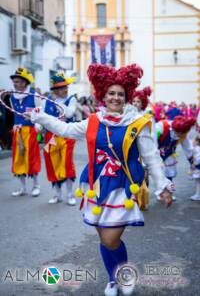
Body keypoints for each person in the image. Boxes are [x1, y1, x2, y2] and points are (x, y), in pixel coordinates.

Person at [25, 63, 173, 296]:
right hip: (95, 185)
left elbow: (151, 157)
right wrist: (40, 116)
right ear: (103, 95)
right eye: (111, 93)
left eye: (120, 94)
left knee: (110, 238)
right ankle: (114, 279)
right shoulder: (94, 120)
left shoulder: (138, 123)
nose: (115, 97)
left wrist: (162, 186)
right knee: (103, 239)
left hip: (123, 187)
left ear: (126, 97)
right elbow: (65, 129)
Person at [43, 73, 77, 205]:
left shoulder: (71, 99)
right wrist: (38, 124)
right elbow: (44, 116)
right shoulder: (47, 101)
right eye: (61, 88)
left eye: (65, 87)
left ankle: (70, 194)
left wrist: (58, 103)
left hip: (66, 136)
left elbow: (69, 113)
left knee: (67, 164)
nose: (65, 89)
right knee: (52, 165)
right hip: (50, 137)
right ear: (55, 90)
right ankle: (57, 194)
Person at [9, 68, 41, 197]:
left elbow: (40, 112)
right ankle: (23, 188)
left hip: (31, 130)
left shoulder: (34, 95)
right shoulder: (12, 96)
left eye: (17, 82)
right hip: (18, 131)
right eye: (14, 82)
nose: (15, 84)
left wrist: (39, 126)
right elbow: (13, 112)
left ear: (24, 83)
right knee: (19, 159)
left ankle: (36, 185)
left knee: (32, 158)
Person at [156, 115, 195, 201]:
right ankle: (159, 193)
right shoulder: (161, 126)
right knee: (156, 173)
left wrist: (192, 162)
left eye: (181, 133)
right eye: (178, 132)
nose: (179, 135)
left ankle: (168, 193)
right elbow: (151, 141)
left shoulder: (183, 133)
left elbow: (187, 147)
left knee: (170, 173)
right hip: (155, 152)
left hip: (169, 153)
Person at [190, 135, 200, 201]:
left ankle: (198, 195)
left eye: (194, 140)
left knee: (198, 182)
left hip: (198, 168)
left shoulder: (196, 149)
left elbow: (198, 159)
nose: (192, 141)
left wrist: (194, 164)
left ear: (197, 141)